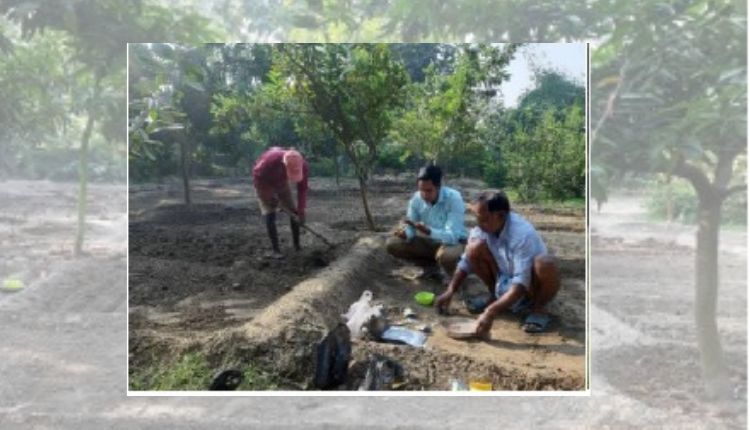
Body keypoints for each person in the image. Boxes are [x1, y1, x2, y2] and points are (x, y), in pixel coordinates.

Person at [435, 191, 560, 335]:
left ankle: (538, 309)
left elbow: (521, 282)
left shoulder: (523, 234)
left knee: (545, 263)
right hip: (504, 278)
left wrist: (490, 312)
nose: (479, 224)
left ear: (500, 215)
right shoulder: (483, 228)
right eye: (477, 218)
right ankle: (495, 297)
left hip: (530, 286)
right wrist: (451, 290)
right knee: (474, 248)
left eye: (483, 219)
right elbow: (466, 262)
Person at [386, 164, 467, 280]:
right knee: (393, 244)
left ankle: (452, 271)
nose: (424, 195)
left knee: (447, 256)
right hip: (430, 242)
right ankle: (431, 267)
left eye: (429, 191)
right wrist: (406, 234)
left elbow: (453, 236)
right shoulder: (416, 199)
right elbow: (411, 226)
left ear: (439, 186)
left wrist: (429, 231)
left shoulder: (454, 198)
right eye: (421, 190)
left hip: (453, 243)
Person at [252, 147, 308, 259]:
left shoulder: (304, 165)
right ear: (284, 164)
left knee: (294, 212)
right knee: (269, 214)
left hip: (282, 182)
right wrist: (267, 196)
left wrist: (301, 211)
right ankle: (276, 250)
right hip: (264, 183)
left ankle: (297, 246)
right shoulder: (270, 160)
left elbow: (302, 189)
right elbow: (257, 177)